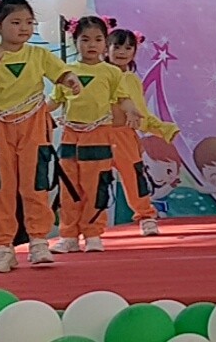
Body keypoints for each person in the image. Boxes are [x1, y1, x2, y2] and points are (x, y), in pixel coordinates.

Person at [0, 0, 81, 274]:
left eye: (29, 22)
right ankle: (3, 247)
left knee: (34, 183)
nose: (24, 28)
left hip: (33, 126)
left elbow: (61, 73)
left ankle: (38, 240)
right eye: (16, 22)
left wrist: (70, 80)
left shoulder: (38, 55)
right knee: (0, 187)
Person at [51, 16, 139, 254]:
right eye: (85, 39)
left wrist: (131, 110)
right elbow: (55, 101)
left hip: (99, 135)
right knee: (69, 187)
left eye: (98, 39)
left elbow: (123, 98)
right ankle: (68, 235)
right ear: (75, 41)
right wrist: (34, 114)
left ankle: (92, 234)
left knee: (95, 185)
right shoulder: (65, 72)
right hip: (70, 136)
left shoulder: (111, 72)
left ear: (105, 43)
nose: (92, 45)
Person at [106, 28, 180, 236]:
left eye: (128, 47)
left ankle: (146, 216)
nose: (122, 52)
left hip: (124, 136)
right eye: (117, 46)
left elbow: (141, 114)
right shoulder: (99, 74)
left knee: (133, 177)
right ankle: (86, 226)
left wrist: (162, 128)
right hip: (96, 135)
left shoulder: (131, 80)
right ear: (106, 49)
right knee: (91, 180)